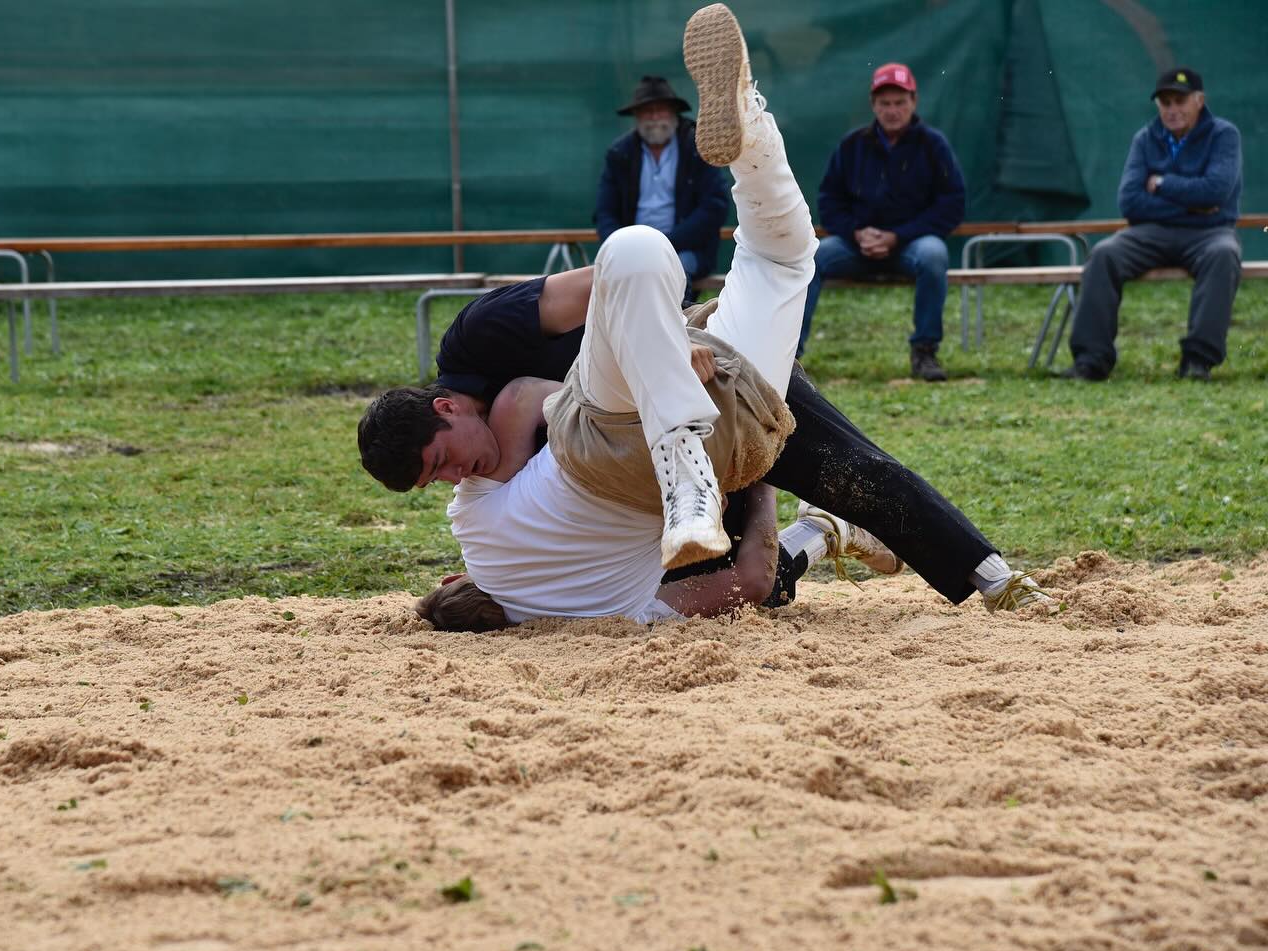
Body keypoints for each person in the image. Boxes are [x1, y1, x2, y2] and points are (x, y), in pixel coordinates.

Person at [360, 4, 1046, 627]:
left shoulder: (483, 346)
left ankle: (986, 574)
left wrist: (661, 341)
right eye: (438, 482)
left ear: (447, 407)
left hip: (654, 387)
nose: (457, 476)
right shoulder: (482, 511)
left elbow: (589, 306)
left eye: (443, 461)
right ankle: (752, 122)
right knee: (785, 261)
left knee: (849, 463)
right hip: (696, 441)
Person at [1064, 67, 1243, 382]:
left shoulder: (1224, 135)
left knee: (1224, 254)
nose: (1172, 110)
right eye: (1165, 103)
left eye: (1180, 101)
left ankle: (1197, 361)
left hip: (1210, 233)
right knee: (1105, 254)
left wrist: (1161, 184)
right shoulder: (1145, 138)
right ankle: (1091, 360)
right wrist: (1196, 205)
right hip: (1150, 233)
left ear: (1199, 100)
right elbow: (1130, 202)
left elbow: (1216, 191)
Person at [799, 61, 966, 381]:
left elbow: (952, 203)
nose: (892, 110)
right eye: (885, 103)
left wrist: (898, 236)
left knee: (933, 255)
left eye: (900, 102)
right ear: (873, 106)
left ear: (914, 102)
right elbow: (829, 201)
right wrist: (856, 233)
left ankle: (925, 352)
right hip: (855, 245)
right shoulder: (851, 146)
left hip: (911, 246)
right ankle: (791, 355)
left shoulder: (934, 145)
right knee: (813, 259)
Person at [594, 74, 731, 289]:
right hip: (632, 251)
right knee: (610, 278)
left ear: (674, 114)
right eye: (648, 111)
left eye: (662, 110)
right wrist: (621, 247)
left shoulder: (697, 148)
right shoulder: (620, 154)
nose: (655, 117)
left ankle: (677, 322)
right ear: (637, 115)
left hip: (686, 249)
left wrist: (666, 244)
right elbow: (605, 213)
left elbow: (715, 206)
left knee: (672, 273)